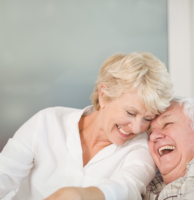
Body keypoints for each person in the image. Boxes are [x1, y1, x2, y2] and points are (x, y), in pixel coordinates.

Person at [0, 52, 173, 200]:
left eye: (147, 118)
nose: (136, 128)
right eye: (131, 113)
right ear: (104, 95)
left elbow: (127, 188)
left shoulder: (142, 148)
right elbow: (4, 175)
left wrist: (79, 195)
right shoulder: (47, 122)